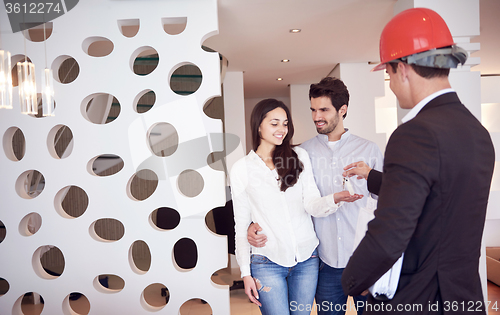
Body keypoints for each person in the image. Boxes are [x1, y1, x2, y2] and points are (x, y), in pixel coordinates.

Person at [341, 8, 495, 314]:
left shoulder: (414, 134)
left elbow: (389, 235)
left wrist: (349, 281)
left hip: (418, 300)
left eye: (388, 74)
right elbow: (437, 199)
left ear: (403, 69)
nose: (391, 84)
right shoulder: (478, 133)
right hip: (464, 299)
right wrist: (373, 176)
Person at [248, 77, 384, 315]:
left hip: (364, 259)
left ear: (342, 110)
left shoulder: (369, 150)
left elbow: (386, 206)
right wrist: (252, 223)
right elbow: (281, 200)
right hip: (323, 264)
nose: (316, 116)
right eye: (313, 109)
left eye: (324, 110)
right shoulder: (301, 153)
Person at [230, 98, 363, 314]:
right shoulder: (242, 169)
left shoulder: (299, 156)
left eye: (285, 123)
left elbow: (311, 204)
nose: (282, 129)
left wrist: (335, 198)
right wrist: (245, 272)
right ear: (258, 125)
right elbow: (241, 225)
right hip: (267, 261)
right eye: (274, 123)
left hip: (307, 259)